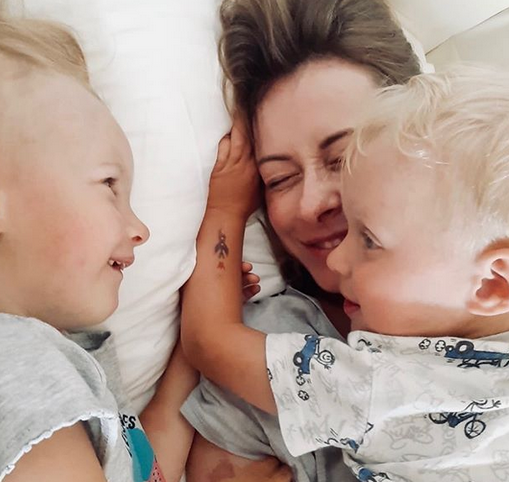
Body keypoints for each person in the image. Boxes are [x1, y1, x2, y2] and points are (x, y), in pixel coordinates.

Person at [181, 66, 509, 481]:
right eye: (279, 178)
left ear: (493, 284)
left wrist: (224, 209)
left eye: (368, 240)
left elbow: (209, 341)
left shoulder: (388, 385)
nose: (337, 259)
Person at [179, 1, 421, 481]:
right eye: (280, 179)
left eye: (343, 157)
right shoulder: (268, 341)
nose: (312, 204)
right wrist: (224, 212)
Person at [0, 15, 199, 482]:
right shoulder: (18, 370)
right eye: (109, 184)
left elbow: (145, 465)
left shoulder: (56, 355)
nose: (141, 228)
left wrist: (201, 318)